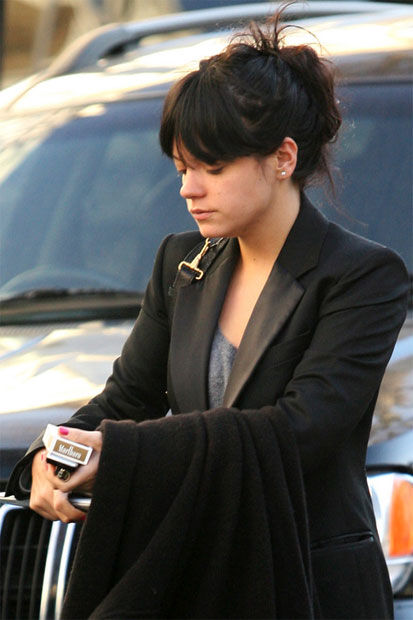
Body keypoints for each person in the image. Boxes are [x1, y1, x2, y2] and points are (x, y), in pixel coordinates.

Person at [6, 7, 408, 619]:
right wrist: (50, 453)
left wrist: (121, 454)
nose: (188, 189)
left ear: (283, 158)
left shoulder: (361, 275)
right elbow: (125, 399)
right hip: (202, 583)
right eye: (182, 168)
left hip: (310, 586)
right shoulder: (182, 264)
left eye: (212, 169)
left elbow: (301, 431)